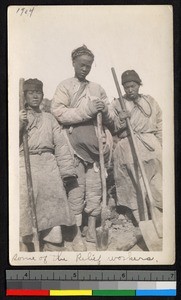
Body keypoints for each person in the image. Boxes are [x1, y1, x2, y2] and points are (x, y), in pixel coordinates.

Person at [51, 45, 114, 251]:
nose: (85, 69)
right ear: (73, 63)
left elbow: (110, 117)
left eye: (88, 66)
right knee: (77, 191)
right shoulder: (65, 86)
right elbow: (58, 112)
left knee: (95, 189)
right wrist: (87, 109)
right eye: (81, 65)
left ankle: (92, 228)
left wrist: (104, 110)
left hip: (96, 148)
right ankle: (76, 233)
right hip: (73, 147)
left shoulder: (97, 88)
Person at [19, 78, 77, 252]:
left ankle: (51, 238)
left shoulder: (49, 118)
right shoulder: (19, 116)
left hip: (48, 163)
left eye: (38, 93)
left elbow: (60, 144)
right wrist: (18, 125)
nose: (35, 96)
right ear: (24, 96)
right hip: (26, 162)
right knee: (26, 201)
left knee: (53, 199)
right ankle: (27, 239)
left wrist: (66, 171)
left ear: (43, 96)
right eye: (31, 93)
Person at [112, 70, 162, 238]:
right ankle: (142, 222)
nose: (129, 90)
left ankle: (159, 218)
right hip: (129, 148)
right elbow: (112, 127)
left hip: (151, 147)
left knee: (156, 184)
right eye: (126, 87)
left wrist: (160, 144)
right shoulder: (117, 104)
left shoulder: (150, 102)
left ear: (139, 84)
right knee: (134, 186)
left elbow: (160, 123)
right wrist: (120, 119)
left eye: (132, 86)